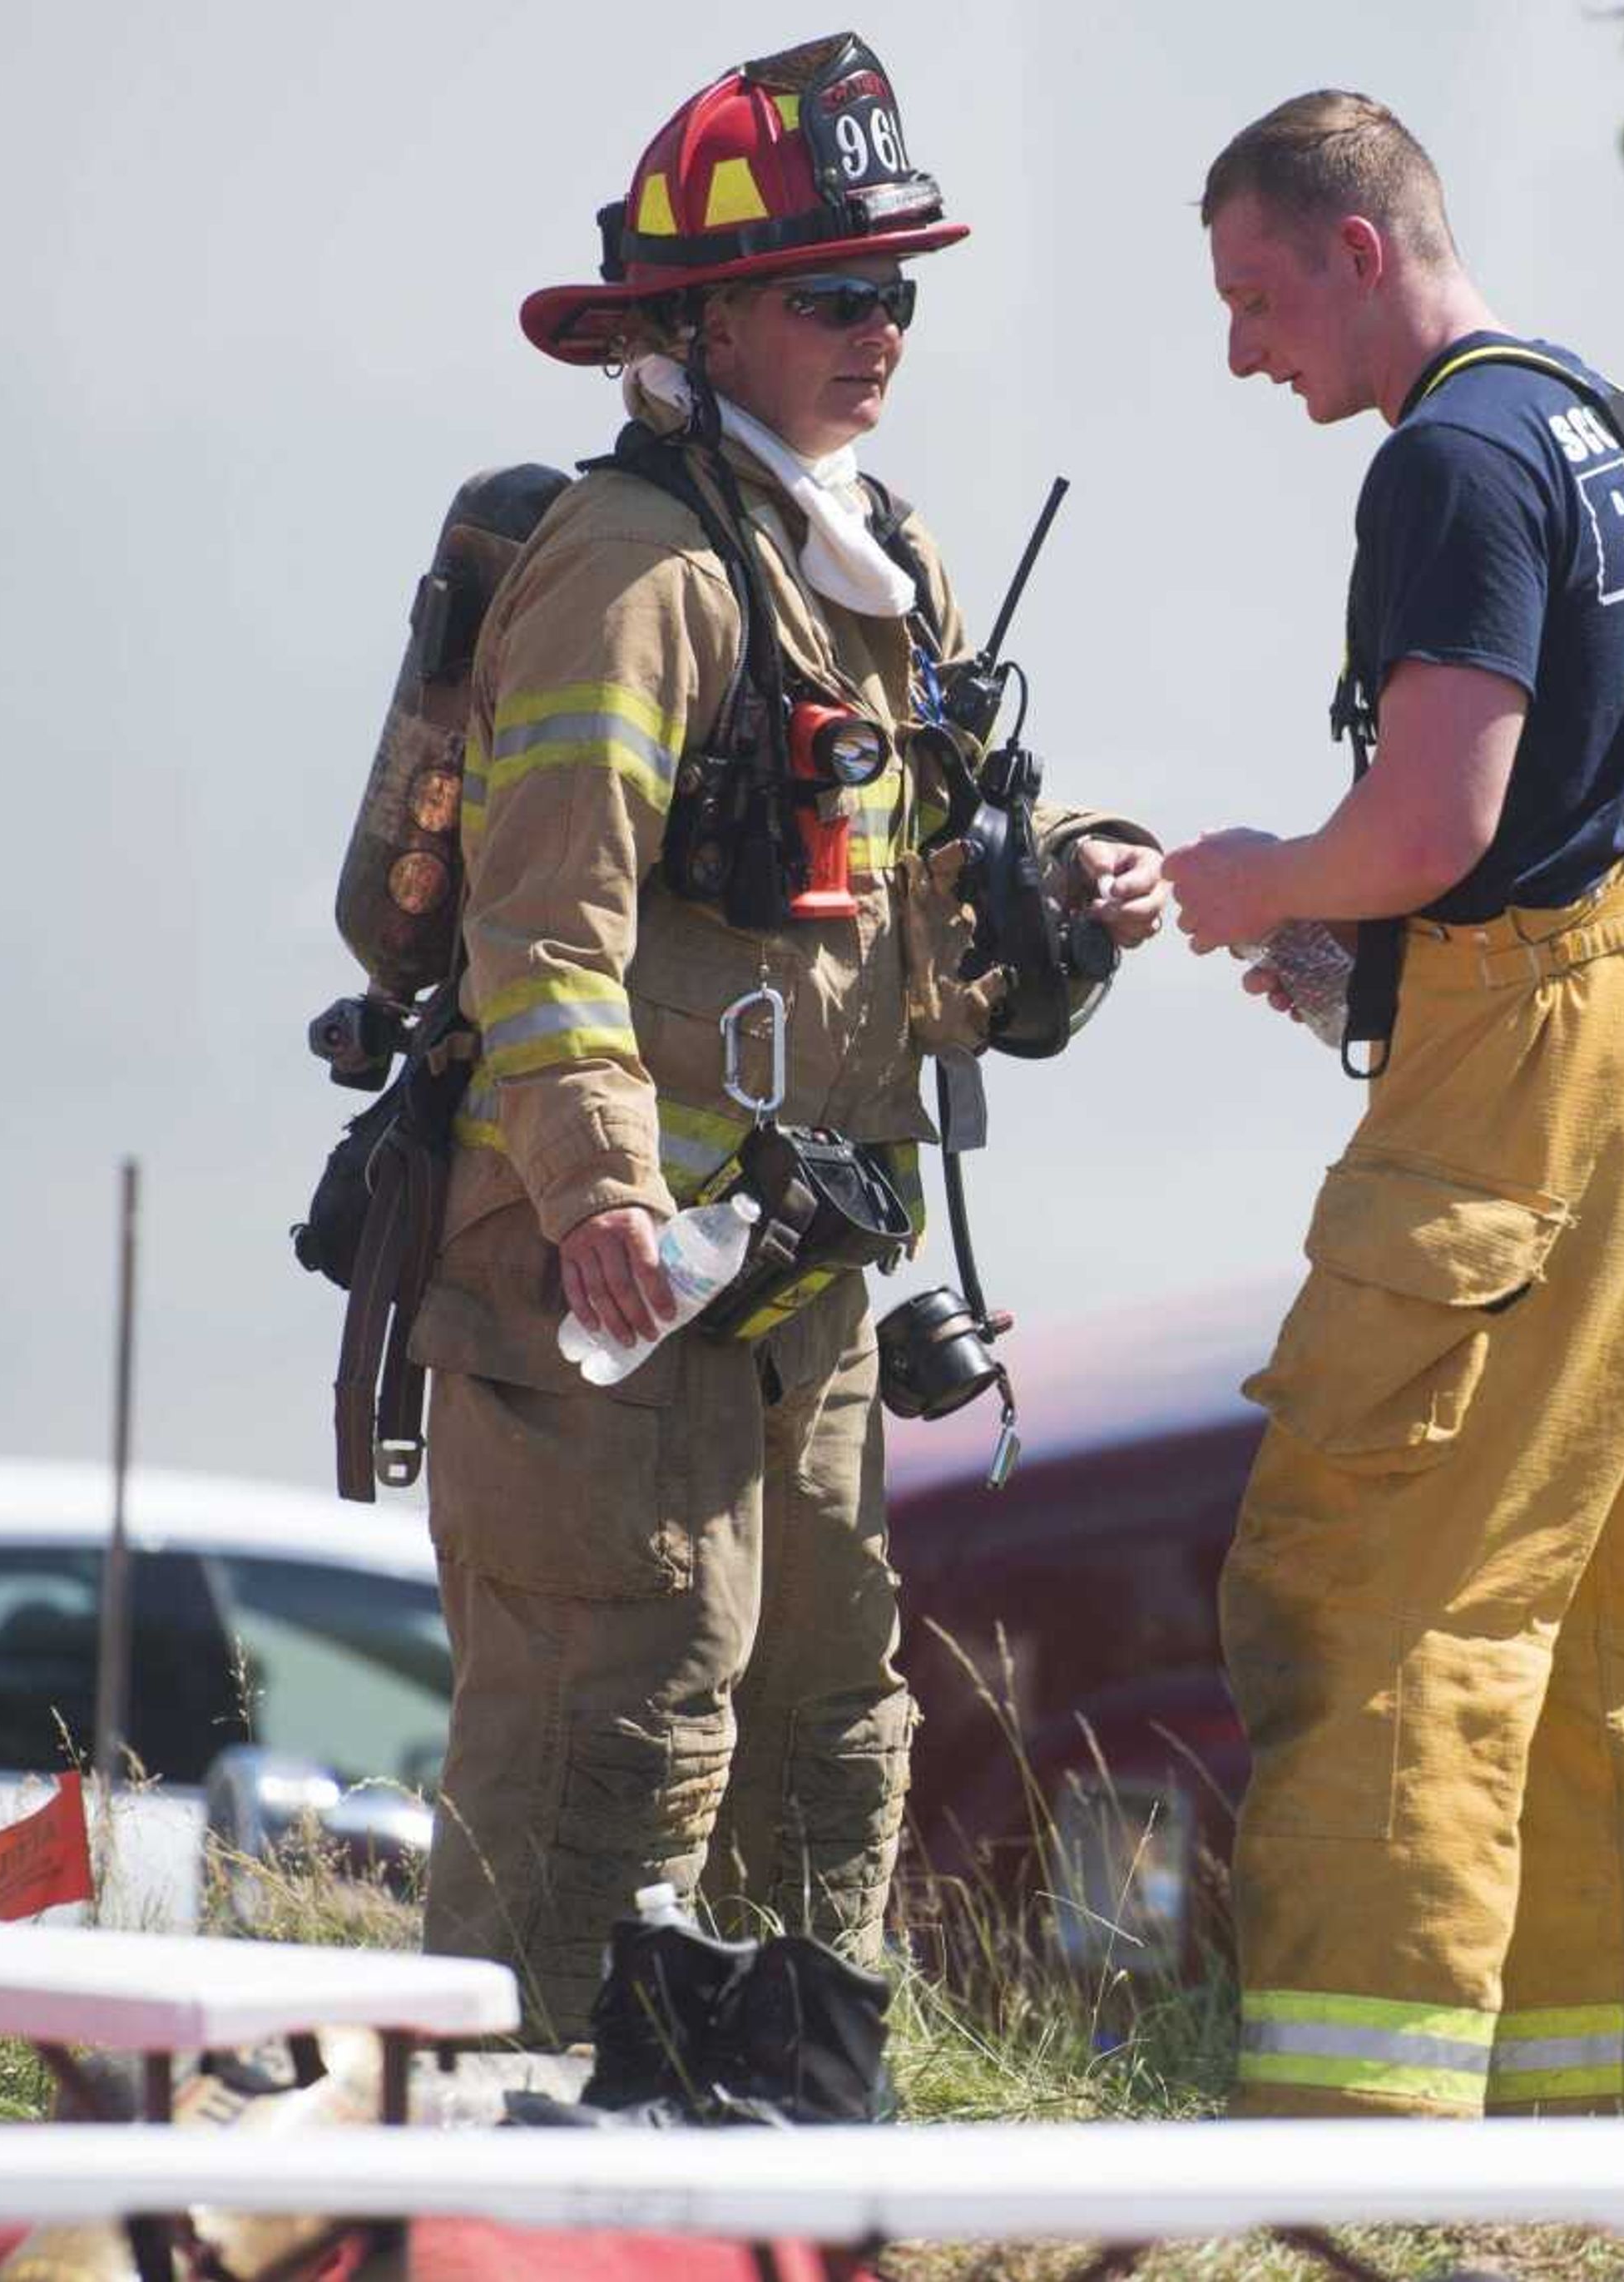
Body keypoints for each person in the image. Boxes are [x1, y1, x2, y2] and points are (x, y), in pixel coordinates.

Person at [418, 32, 1166, 2041]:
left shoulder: (872, 562)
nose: (882, 332)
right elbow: (540, 917)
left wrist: (1078, 874)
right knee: (610, 1726)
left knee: (825, 1726)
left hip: (800, 1271)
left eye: (899, 291)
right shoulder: (630, 569)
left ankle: (785, 2162)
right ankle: (496, 2185)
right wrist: (592, 1187)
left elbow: (930, 877)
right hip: (609, 1277)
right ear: (706, 316)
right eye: (838, 294)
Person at [1162, 91, 1624, 2117]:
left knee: (1382, 1581)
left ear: (1362, 249)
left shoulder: (1451, 454)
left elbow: (1438, 813)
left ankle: (1353, 2153)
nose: (1243, 355)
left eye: (1257, 298)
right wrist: (1391, 967)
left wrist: (1268, 879)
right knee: (1623, 1610)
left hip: (1549, 1072)